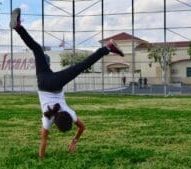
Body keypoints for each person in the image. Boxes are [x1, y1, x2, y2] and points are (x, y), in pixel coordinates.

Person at [10, 8, 124, 158]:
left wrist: (75, 139)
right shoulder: (47, 119)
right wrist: (41, 159)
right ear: (56, 125)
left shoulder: (69, 113)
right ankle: (18, 27)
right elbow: (43, 141)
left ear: (67, 117)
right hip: (43, 81)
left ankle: (108, 47)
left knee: (82, 65)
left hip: (55, 83)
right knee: (37, 50)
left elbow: (82, 127)